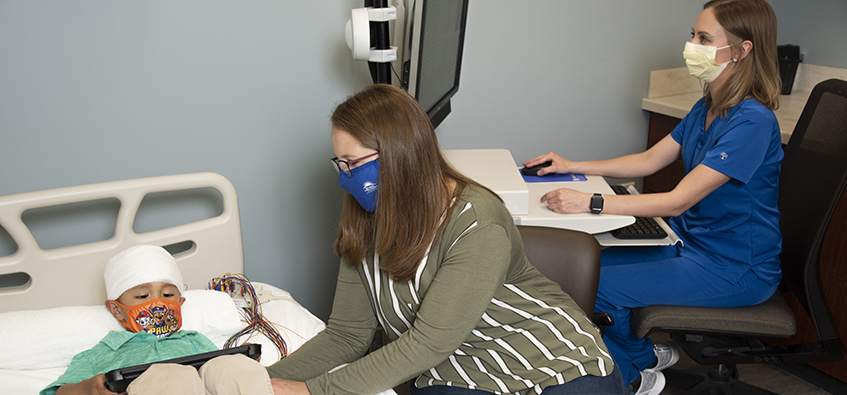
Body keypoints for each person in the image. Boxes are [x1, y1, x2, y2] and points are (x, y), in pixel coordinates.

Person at [266, 84, 624, 395]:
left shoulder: (476, 222)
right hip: (455, 368)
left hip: (546, 354)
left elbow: (427, 343)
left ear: (400, 155)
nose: (346, 177)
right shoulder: (362, 222)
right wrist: (261, 380)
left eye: (353, 163)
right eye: (340, 164)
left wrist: (311, 391)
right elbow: (348, 335)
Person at [522, 0, 783, 394]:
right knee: (588, 264)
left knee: (599, 286)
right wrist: (571, 163)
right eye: (693, 35)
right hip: (687, 241)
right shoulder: (708, 106)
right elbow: (648, 161)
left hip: (735, 266)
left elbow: (676, 200)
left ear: (742, 50)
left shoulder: (754, 123)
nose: (691, 45)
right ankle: (643, 358)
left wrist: (589, 201)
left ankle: (627, 380)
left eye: (704, 38)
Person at [43, 245, 273, 395]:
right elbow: (58, 392)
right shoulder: (105, 350)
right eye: (143, 296)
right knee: (170, 376)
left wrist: (241, 362)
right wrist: (87, 388)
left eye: (168, 295)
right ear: (117, 310)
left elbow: (216, 375)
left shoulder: (193, 340)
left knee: (230, 367)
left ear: (180, 303)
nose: (158, 304)